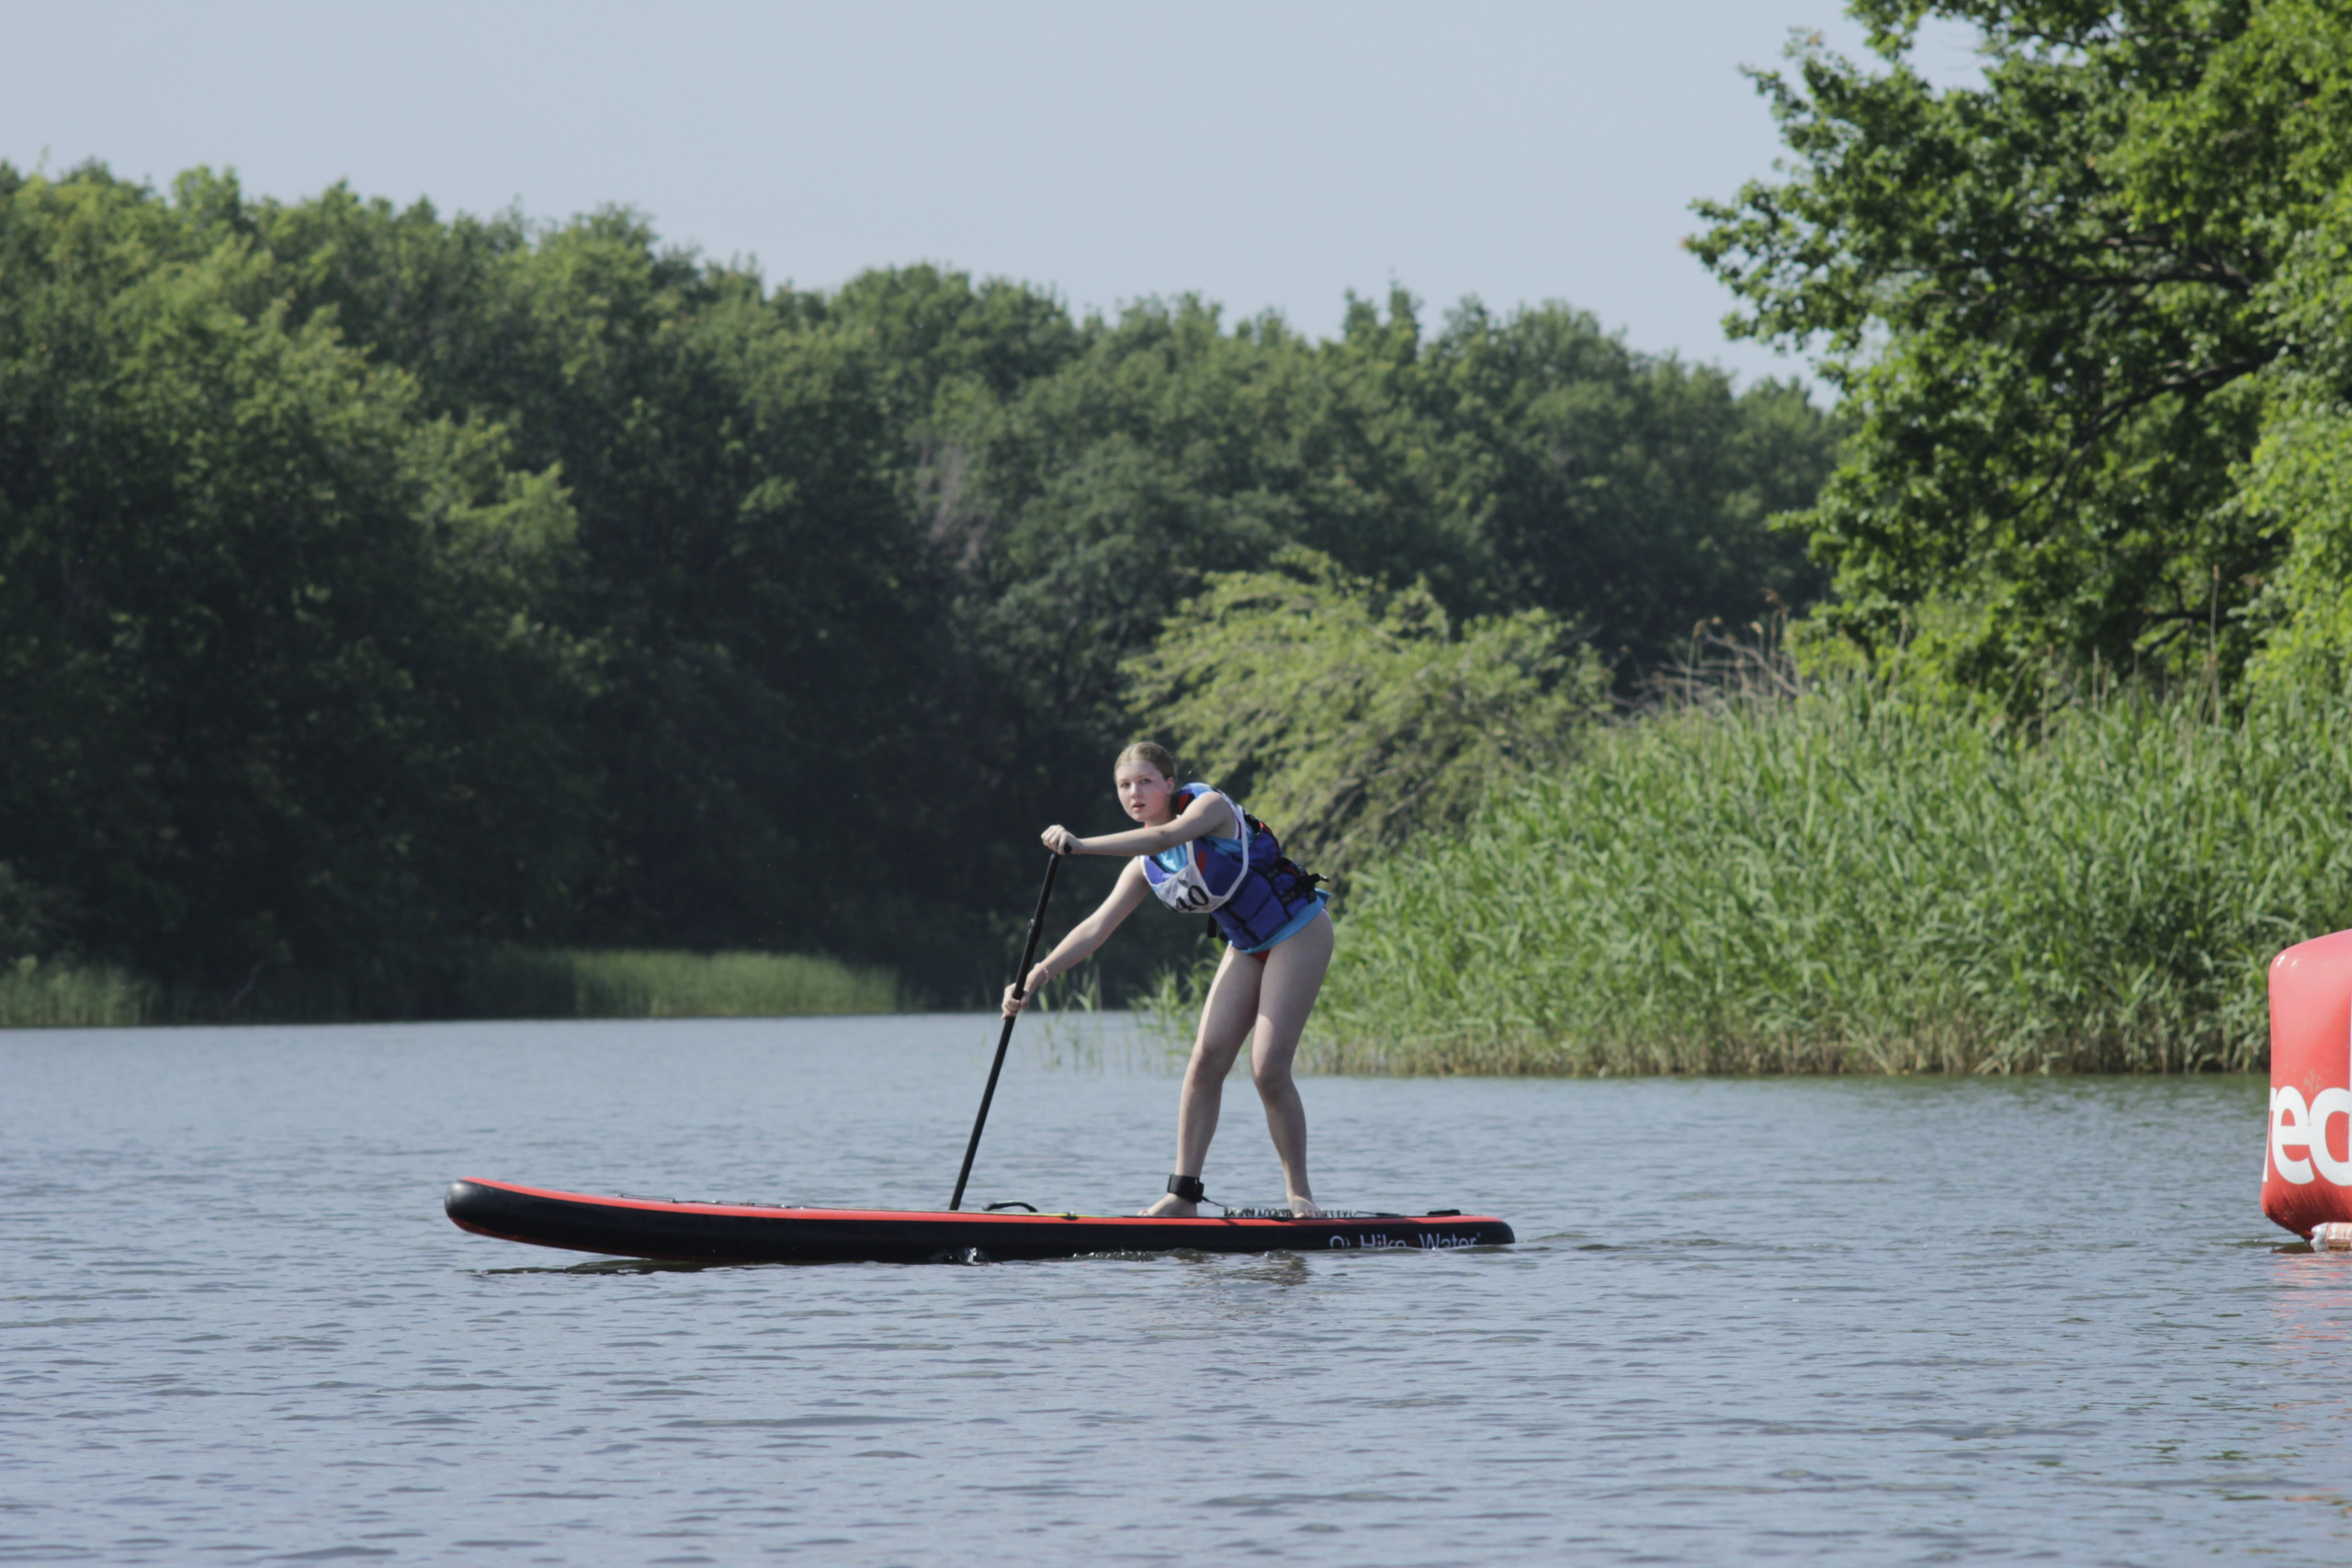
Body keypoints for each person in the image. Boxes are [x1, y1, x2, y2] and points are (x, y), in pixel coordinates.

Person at [1001, 741, 1334, 1217]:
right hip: (1248, 945)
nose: (1134, 793)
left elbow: (1163, 837)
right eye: (1124, 785)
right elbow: (1096, 929)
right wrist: (1037, 973)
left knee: (1267, 1068)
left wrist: (1081, 845)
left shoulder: (1209, 807)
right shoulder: (1144, 866)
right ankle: (1183, 1195)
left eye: (1145, 782)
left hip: (1299, 930)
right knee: (1204, 1061)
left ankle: (1300, 1196)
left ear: (1169, 784)